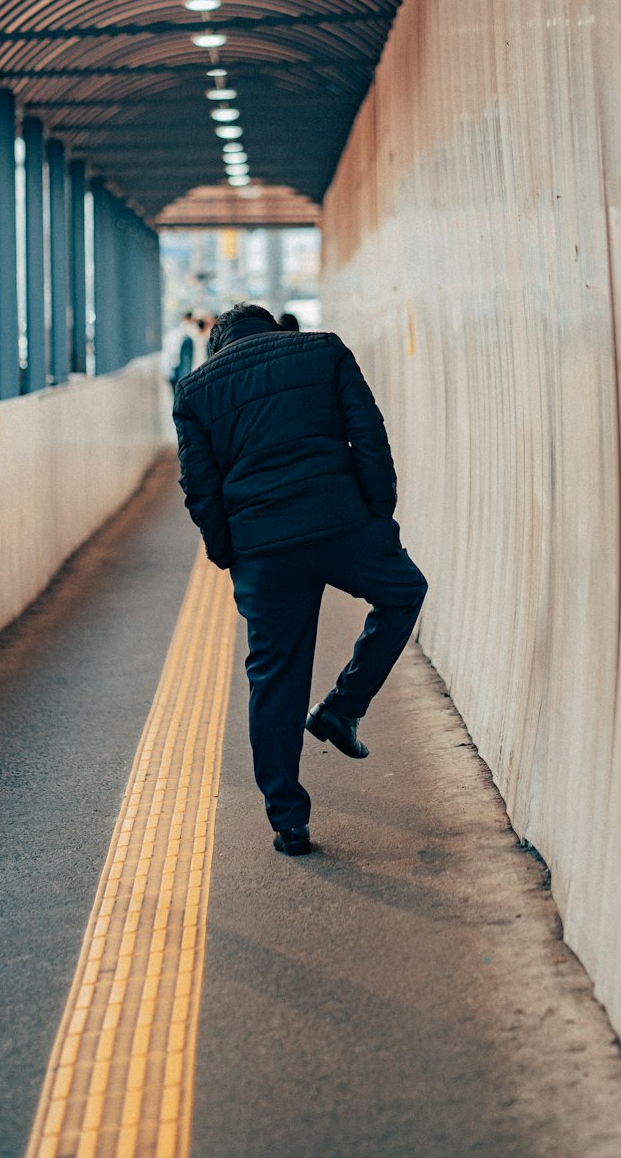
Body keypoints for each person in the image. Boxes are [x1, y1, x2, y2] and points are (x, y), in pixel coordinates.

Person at [173, 302, 427, 857]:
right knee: (404, 592)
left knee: (274, 676)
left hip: (264, 552)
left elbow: (200, 489)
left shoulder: (195, 391)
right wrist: (377, 517)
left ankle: (289, 822)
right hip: (340, 523)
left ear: (220, 346)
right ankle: (343, 706)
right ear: (272, 328)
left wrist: (229, 555)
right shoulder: (324, 349)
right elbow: (370, 435)